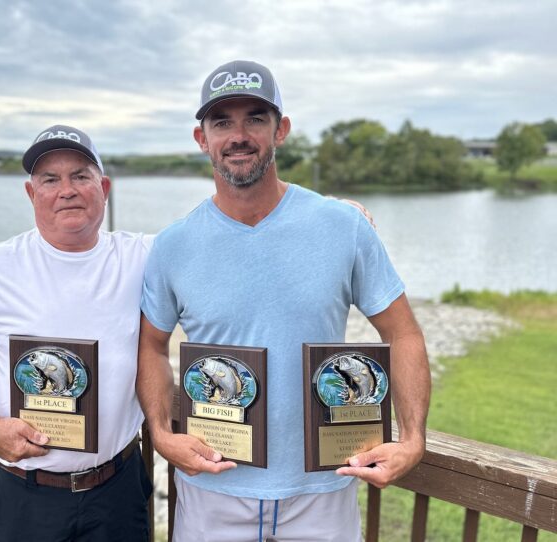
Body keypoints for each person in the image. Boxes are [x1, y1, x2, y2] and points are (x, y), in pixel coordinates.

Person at [136, 60, 431, 541]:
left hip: (324, 488)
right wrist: (162, 434)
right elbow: (151, 347)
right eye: (221, 122)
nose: (238, 135)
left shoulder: (342, 226)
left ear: (281, 130)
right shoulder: (172, 245)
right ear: (201, 138)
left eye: (255, 117)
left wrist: (413, 437)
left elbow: (402, 333)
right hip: (213, 486)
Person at [0, 125, 152, 541]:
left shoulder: (143, 257)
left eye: (81, 176)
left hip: (117, 488)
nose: (67, 190)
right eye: (50, 179)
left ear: (104, 188)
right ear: (31, 193)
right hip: (21, 495)